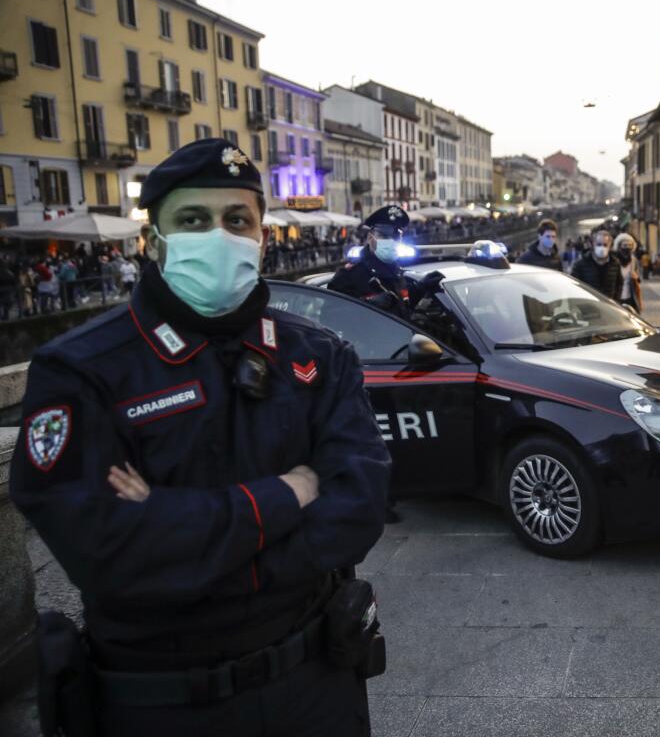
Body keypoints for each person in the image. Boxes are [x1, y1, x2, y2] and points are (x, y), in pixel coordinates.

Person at [10, 138, 391, 735]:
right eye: (193, 220)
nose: (219, 235)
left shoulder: (318, 355)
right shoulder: (84, 370)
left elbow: (360, 508)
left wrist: (171, 523)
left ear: (262, 236)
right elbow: (109, 554)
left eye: (237, 219)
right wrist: (288, 495)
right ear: (152, 240)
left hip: (316, 683)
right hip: (162, 703)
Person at [328, 205, 412, 308]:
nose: (391, 241)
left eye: (396, 237)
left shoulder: (397, 272)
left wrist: (420, 290)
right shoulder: (349, 276)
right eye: (384, 236)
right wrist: (366, 304)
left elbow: (404, 310)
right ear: (370, 238)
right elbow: (330, 314)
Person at [570, 228, 622, 301]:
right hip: (589, 306)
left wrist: (616, 301)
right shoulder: (581, 264)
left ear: (610, 246)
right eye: (599, 244)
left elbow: (619, 284)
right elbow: (573, 285)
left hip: (609, 307)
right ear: (593, 245)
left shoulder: (615, 264)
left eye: (605, 245)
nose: (602, 248)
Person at [613, 233, 643, 312]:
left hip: (630, 296)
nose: (627, 247)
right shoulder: (614, 260)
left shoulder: (633, 260)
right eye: (625, 245)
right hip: (616, 296)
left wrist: (636, 277)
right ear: (619, 246)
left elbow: (638, 278)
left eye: (630, 245)